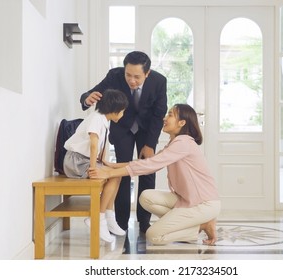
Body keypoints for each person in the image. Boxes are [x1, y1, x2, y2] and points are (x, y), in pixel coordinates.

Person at [89, 104, 221, 245]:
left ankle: (201, 226)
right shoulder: (175, 143)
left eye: (170, 115)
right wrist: (113, 165)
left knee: (154, 236)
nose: (165, 118)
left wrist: (109, 173)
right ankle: (190, 222)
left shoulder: (183, 143)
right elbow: (150, 162)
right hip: (188, 199)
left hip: (203, 204)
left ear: (182, 123)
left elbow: (149, 165)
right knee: (146, 197)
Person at [80, 51, 168, 233]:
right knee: (121, 173)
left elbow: (159, 114)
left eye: (137, 77)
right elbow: (92, 93)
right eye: (128, 75)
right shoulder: (115, 76)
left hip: (146, 131)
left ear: (147, 73)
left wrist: (150, 144)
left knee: (147, 173)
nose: (131, 80)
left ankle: (144, 222)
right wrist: (86, 99)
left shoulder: (159, 82)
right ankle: (120, 222)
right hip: (122, 128)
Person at [63, 89, 129, 243]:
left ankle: (108, 215)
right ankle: (97, 218)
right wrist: (94, 168)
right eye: (122, 111)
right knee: (114, 175)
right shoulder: (96, 118)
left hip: (85, 159)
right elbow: (93, 144)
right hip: (76, 161)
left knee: (117, 173)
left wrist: (104, 162)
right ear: (114, 110)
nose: (123, 114)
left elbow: (101, 146)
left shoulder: (104, 121)